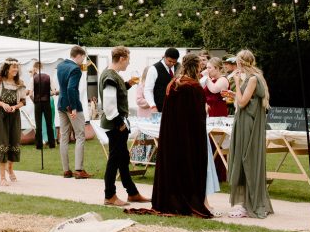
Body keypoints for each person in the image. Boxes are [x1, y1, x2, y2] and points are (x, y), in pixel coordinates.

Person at [151, 52, 212, 217]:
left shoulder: (174, 83)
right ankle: (188, 200)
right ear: (196, 67)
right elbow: (198, 116)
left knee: (174, 165)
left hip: (172, 135)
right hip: (188, 136)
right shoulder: (193, 87)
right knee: (188, 166)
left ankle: (171, 200)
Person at [223, 49, 274, 218]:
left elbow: (243, 102)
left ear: (240, 62)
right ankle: (245, 202)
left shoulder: (252, 78)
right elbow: (247, 99)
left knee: (245, 159)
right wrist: (234, 94)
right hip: (245, 121)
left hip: (247, 123)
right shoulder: (256, 77)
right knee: (245, 158)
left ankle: (248, 204)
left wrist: (237, 83)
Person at [100, 46, 151, 207]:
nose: (128, 63)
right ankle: (109, 195)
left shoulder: (113, 75)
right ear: (121, 59)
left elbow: (116, 92)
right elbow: (109, 104)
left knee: (123, 159)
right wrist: (119, 123)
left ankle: (132, 193)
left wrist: (128, 84)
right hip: (115, 124)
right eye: (128, 60)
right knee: (115, 160)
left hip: (117, 123)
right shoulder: (110, 76)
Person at [0, 58, 27, 185]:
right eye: (13, 67)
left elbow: (23, 101)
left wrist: (15, 107)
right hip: (1, 116)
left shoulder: (20, 83)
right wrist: (3, 104)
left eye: (17, 67)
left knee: (13, 142)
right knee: (3, 143)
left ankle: (10, 169)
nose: (16, 69)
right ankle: (2, 178)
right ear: (7, 69)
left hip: (14, 115)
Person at [57, 46, 91, 179]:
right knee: (80, 135)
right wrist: (74, 108)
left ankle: (66, 170)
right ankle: (79, 170)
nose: (83, 61)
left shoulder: (61, 65)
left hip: (61, 103)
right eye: (83, 58)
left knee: (64, 136)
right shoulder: (75, 69)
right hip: (72, 104)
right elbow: (71, 88)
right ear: (79, 55)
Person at [142, 48, 179, 115]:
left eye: (174, 62)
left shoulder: (178, 67)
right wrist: (153, 106)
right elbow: (148, 90)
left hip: (175, 107)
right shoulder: (153, 69)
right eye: (169, 61)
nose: (171, 64)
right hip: (160, 108)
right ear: (164, 57)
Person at [29, 61, 57, 150]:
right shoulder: (48, 77)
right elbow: (54, 91)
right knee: (49, 123)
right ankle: (52, 144)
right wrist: (48, 94)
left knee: (38, 125)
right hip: (47, 102)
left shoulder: (33, 78)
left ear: (35, 68)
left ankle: (39, 145)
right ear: (42, 67)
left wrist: (34, 101)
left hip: (37, 103)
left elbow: (30, 94)